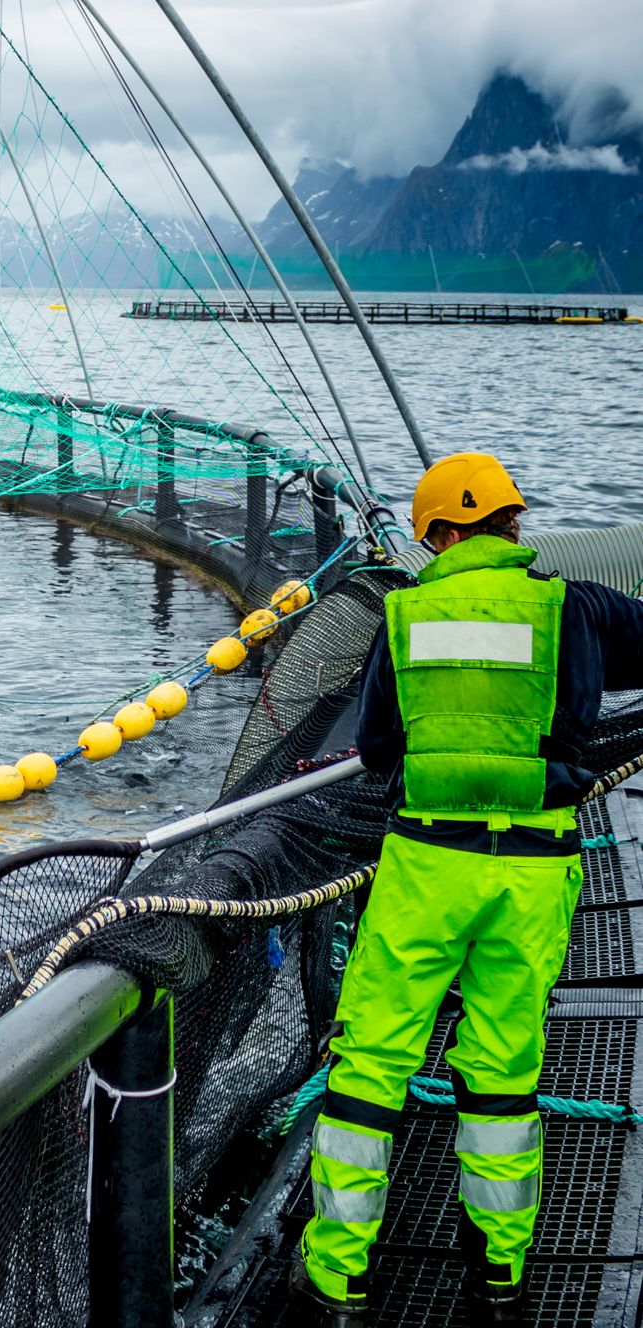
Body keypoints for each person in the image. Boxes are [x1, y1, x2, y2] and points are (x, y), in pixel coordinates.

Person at [290, 452, 643, 1323]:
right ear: (510, 526)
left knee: (371, 1064)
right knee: (502, 1071)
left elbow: (376, 750)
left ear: (441, 533)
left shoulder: (404, 615)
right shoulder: (578, 608)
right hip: (532, 873)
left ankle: (337, 1278)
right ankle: (499, 1272)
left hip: (424, 869)